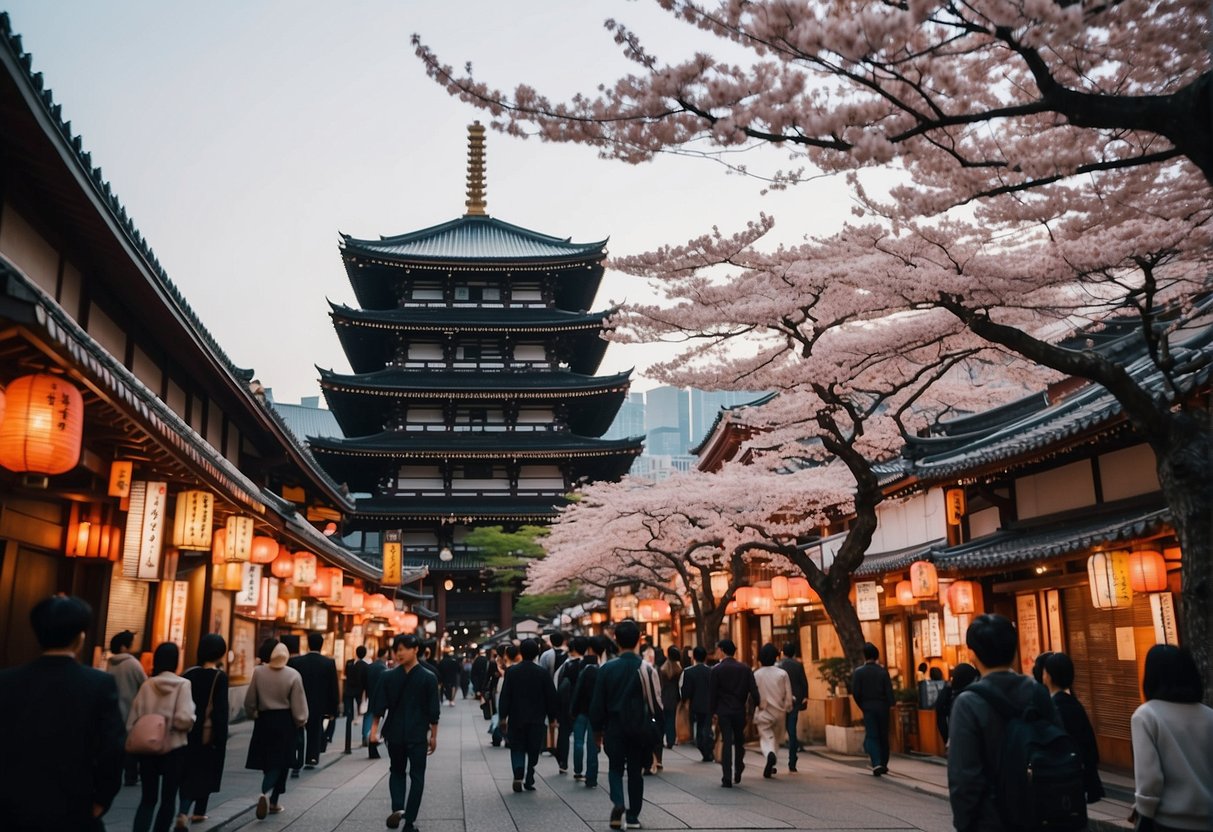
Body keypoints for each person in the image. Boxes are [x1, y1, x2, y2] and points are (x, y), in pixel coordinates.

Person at [0, 595, 125, 831]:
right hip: (74, 805)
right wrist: (101, 799)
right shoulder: (98, 684)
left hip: (11, 806)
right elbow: (112, 748)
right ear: (80, 637)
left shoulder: (6, 682)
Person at [947, 613, 1060, 832]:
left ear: (972, 655)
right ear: (1015, 650)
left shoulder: (968, 703)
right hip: (1042, 813)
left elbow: (963, 777)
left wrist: (966, 823)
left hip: (991, 817)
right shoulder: (1038, 693)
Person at [1130, 645, 1213, 832]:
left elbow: (1150, 780)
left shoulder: (1146, 715)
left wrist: (1143, 812)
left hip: (1169, 821)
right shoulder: (1209, 715)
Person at [589, 620, 659, 830]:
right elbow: (656, 703)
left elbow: (597, 704)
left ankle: (618, 802)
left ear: (616, 640)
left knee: (615, 767)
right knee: (636, 771)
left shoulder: (607, 668)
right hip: (639, 727)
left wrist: (597, 731)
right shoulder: (647, 669)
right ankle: (633, 816)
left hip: (614, 726)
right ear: (639, 640)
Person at [368, 633, 441, 831]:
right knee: (416, 775)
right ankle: (407, 819)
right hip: (417, 734)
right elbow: (433, 711)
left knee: (397, 771)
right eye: (396, 650)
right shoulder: (428, 677)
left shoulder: (388, 676)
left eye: (403, 649)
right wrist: (433, 735)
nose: (398, 653)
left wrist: (375, 730)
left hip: (396, 732)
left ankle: (399, 808)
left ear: (415, 649)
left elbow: (378, 707)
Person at [127, 642, 197, 832]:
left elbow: (133, 719)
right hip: (174, 747)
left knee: (148, 799)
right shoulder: (183, 685)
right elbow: (185, 719)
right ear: (176, 661)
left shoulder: (147, 685)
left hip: (148, 748)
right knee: (168, 799)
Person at [245, 642, 309, 820]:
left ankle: (269, 797)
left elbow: (250, 700)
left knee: (268, 759)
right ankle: (269, 796)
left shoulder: (258, 672)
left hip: (264, 720)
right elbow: (299, 704)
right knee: (282, 761)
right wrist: (300, 721)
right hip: (285, 722)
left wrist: (254, 713)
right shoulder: (293, 675)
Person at [179, 634, 230, 824]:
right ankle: (199, 811)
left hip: (187, 731)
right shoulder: (219, 677)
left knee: (188, 771)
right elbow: (220, 711)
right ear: (220, 653)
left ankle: (183, 811)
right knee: (207, 771)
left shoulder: (188, 674)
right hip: (208, 734)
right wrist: (221, 737)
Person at [498, 638, 560, 792]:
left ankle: (518, 771)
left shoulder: (512, 672)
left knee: (517, 746)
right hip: (537, 718)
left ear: (521, 653)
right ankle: (530, 775)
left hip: (516, 717)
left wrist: (503, 717)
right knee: (533, 748)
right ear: (536, 653)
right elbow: (551, 697)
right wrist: (552, 718)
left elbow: (505, 695)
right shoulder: (543, 673)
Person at [1042, 652, 1104, 804]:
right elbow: (1089, 745)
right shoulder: (1075, 704)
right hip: (1077, 774)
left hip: (1062, 777)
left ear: (1048, 676)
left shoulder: (1052, 707)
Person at [709, 638, 759, 788]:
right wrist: (754, 708)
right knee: (739, 741)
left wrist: (713, 712)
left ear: (722, 650)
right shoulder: (745, 669)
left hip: (723, 711)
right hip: (739, 710)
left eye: (718, 650)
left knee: (726, 741)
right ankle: (738, 767)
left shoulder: (716, 670)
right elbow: (754, 692)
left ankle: (727, 776)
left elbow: (712, 694)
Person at [292, 632, 339, 770]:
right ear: (322, 645)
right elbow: (333, 688)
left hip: (299, 703)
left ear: (307, 644)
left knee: (299, 731)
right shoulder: (328, 663)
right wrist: (333, 709)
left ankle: (297, 758)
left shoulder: (296, 662)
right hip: (319, 704)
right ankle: (311, 758)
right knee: (315, 732)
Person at [107, 629, 147, 787]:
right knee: (131, 746)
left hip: (114, 709)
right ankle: (131, 776)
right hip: (131, 709)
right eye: (131, 643)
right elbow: (145, 683)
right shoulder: (132, 663)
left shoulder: (110, 663)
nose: (133, 646)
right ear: (124, 647)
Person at [851, 642, 894, 776]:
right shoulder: (882, 671)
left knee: (872, 735)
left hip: (868, 706)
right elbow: (889, 692)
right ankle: (884, 763)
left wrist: (863, 705)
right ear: (877, 656)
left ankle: (876, 763)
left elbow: (856, 693)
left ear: (864, 656)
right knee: (883, 735)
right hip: (882, 706)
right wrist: (891, 704)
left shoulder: (859, 673)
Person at [753, 643, 794, 778]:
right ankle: (772, 761)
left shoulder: (757, 674)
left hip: (763, 711)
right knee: (775, 738)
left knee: (766, 737)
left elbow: (753, 694)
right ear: (776, 657)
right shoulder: (782, 674)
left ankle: (770, 755)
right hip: (779, 711)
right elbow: (788, 694)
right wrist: (788, 706)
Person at [569, 636, 602, 787]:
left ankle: (577, 770)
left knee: (579, 741)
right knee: (592, 745)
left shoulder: (585, 671)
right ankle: (592, 777)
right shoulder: (603, 670)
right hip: (595, 712)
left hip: (582, 711)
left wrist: (573, 710)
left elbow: (577, 692)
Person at [554, 636, 588, 775]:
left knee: (564, 733)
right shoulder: (587, 665)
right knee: (580, 738)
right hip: (583, 704)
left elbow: (557, 682)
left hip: (566, 703)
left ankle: (563, 762)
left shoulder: (566, 664)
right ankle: (579, 769)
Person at [680, 645, 714, 763]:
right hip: (709, 704)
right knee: (707, 727)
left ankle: (704, 748)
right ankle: (708, 750)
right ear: (705, 657)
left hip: (695, 705)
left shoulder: (689, 672)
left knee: (699, 728)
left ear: (694, 657)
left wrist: (684, 701)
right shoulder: (711, 671)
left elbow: (685, 690)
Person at [778, 643, 809, 773]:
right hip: (795, 701)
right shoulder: (798, 665)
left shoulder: (779, 666)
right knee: (792, 731)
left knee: (777, 731)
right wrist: (805, 697)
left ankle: (772, 757)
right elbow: (804, 682)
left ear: (783, 652)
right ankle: (792, 761)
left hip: (780, 702)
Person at [934, 662, 979, 745]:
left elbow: (939, 710)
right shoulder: (971, 699)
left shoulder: (951, 693)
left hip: (954, 739)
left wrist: (946, 738)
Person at [342, 645, 369, 753]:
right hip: (359, 692)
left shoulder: (349, 663)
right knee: (360, 712)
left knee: (349, 716)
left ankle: (347, 746)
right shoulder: (365, 666)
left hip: (348, 691)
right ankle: (361, 734)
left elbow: (346, 675)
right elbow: (365, 682)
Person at [365, 646, 390, 755]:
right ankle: (373, 741)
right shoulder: (383, 668)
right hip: (380, 696)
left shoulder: (371, 666)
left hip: (371, 695)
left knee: (373, 719)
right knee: (376, 721)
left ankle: (370, 740)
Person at [659, 646, 683, 751]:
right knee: (672, 720)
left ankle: (661, 738)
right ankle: (671, 740)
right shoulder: (679, 669)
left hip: (664, 696)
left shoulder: (663, 669)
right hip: (674, 696)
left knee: (664, 719)